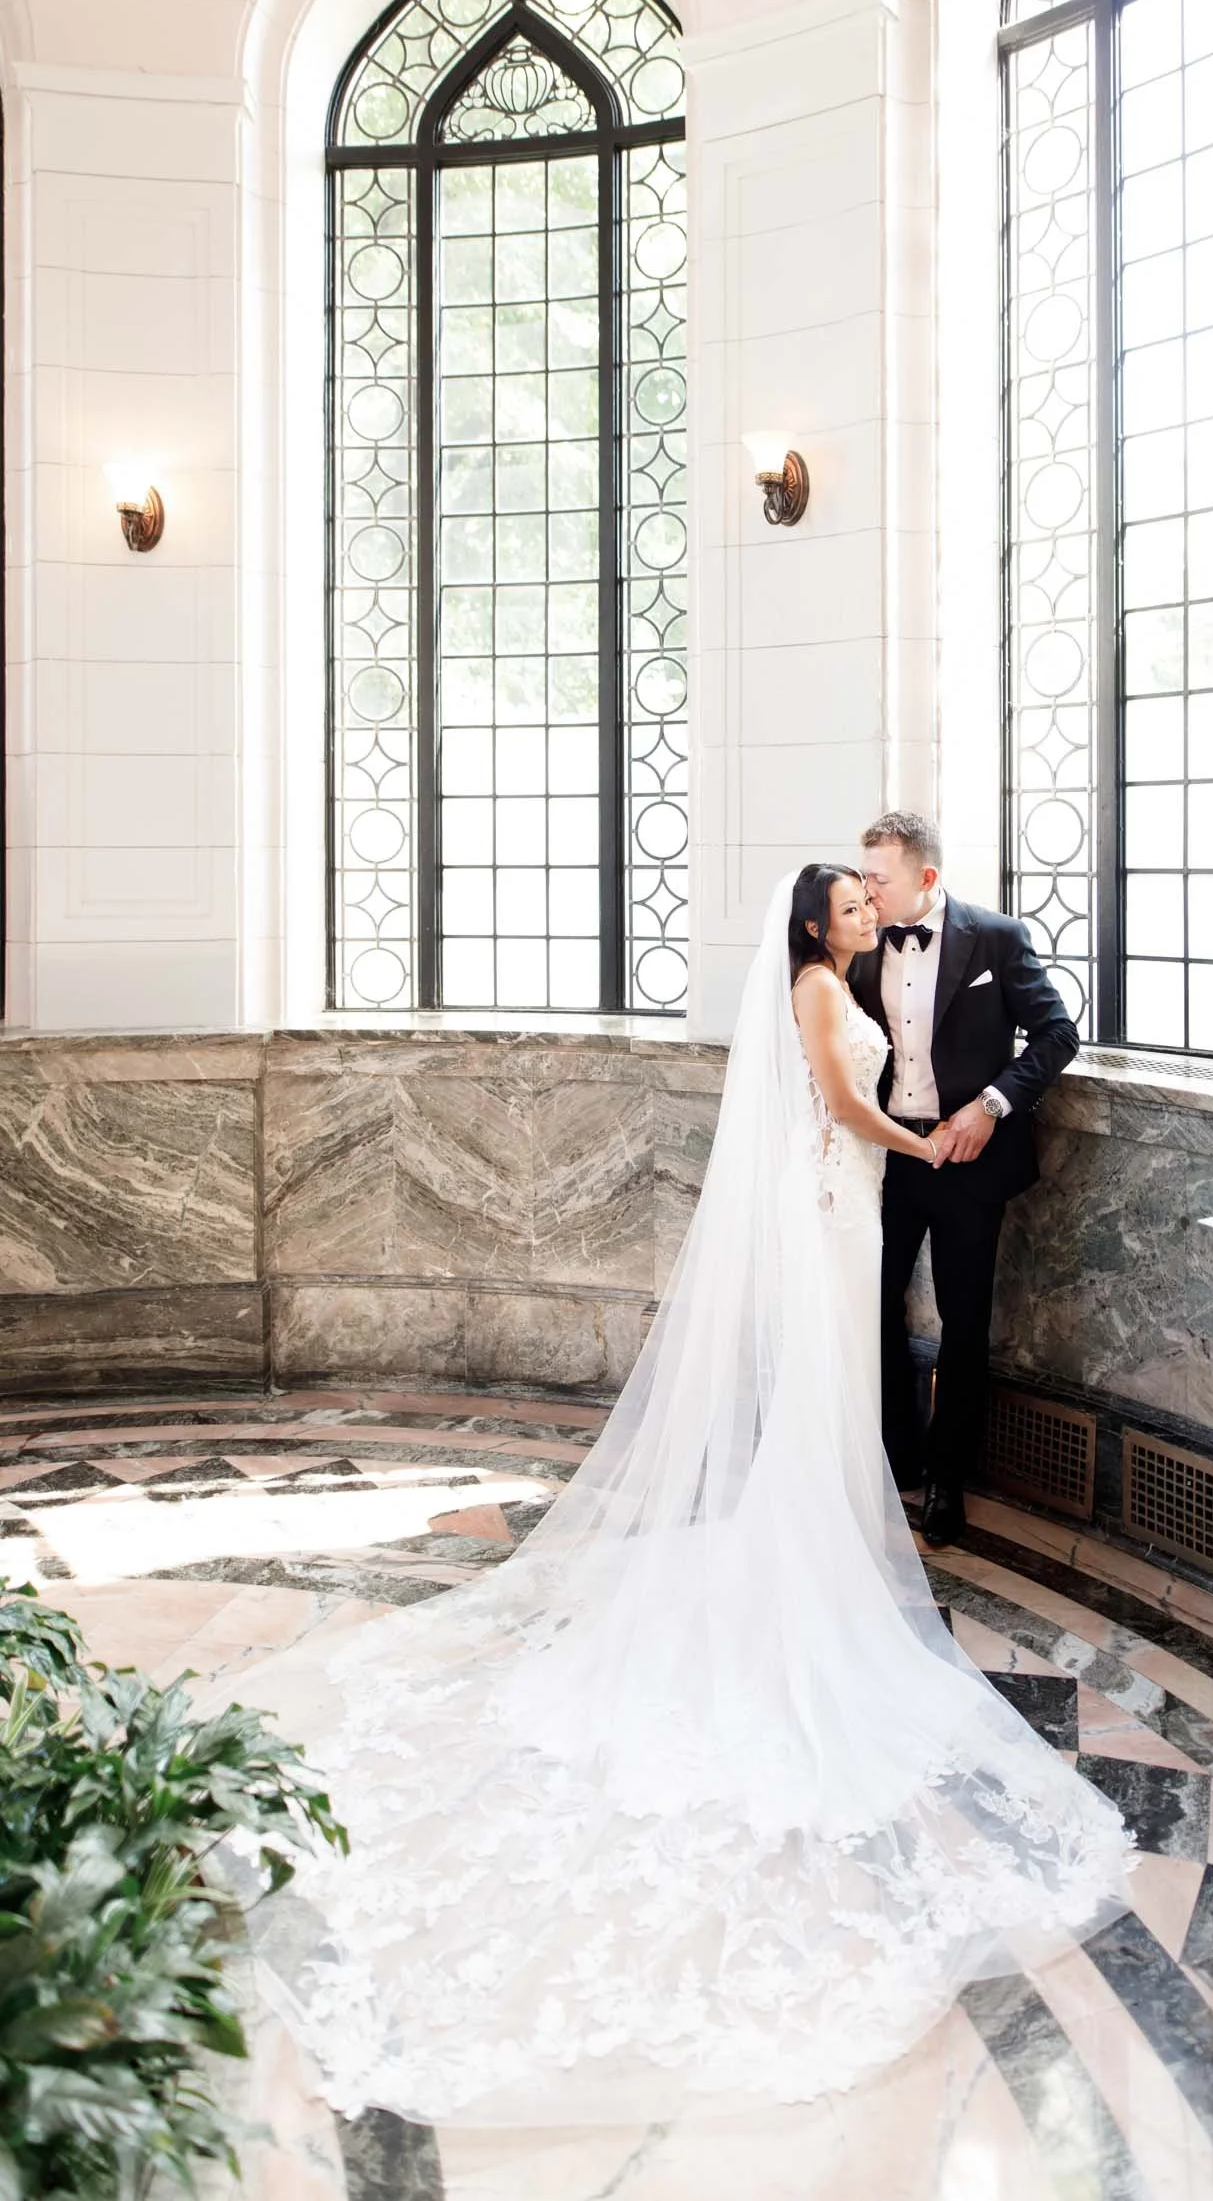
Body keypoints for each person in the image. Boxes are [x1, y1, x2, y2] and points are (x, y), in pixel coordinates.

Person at [208, 866, 1128, 2131]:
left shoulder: (850, 972)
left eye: (874, 897)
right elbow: (846, 1108)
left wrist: (950, 1125)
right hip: (840, 1206)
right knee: (829, 1381)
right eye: (852, 904)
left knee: (851, 1384)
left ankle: (828, 1534)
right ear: (820, 924)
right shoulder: (817, 989)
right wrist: (926, 1140)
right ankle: (812, 1548)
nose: (867, 917)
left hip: (854, 1212)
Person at [853, 813, 1080, 1548]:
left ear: (926, 878)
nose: (866, 891)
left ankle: (950, 1478)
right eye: (862, 876)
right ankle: (896, 1453)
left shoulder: (997, 938)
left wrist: (991, 1105)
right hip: (883, 1157)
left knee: (964, 1320)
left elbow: (1058, 1034)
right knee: (872, 1304)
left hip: (968, 1159)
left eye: (879, 879)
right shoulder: (857, 943)